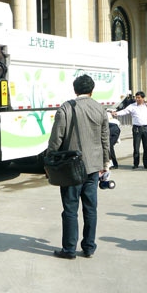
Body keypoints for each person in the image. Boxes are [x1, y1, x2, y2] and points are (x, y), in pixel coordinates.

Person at [48, 74, 109, 259]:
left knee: (70, 209)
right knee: (90, 208)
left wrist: (50, 157)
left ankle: (69, 249)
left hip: (72, 168)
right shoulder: (100, 109)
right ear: (92, 90)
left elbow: (56, 137)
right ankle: (89, 247)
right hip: (93, 167)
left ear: (75, 89)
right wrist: (105, 163)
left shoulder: (66, 108)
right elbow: (105, 139)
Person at [113, 91, 147, 169]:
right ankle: (136, 164)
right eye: (136, 97)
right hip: (136, 128)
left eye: (139, 98)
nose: (137, 99)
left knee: (146, 147)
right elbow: (124, 111)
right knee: (136, 147)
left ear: (143, 98)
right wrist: (116, 113)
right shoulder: (132, 106)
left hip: (146, 128)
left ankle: (146, 164)